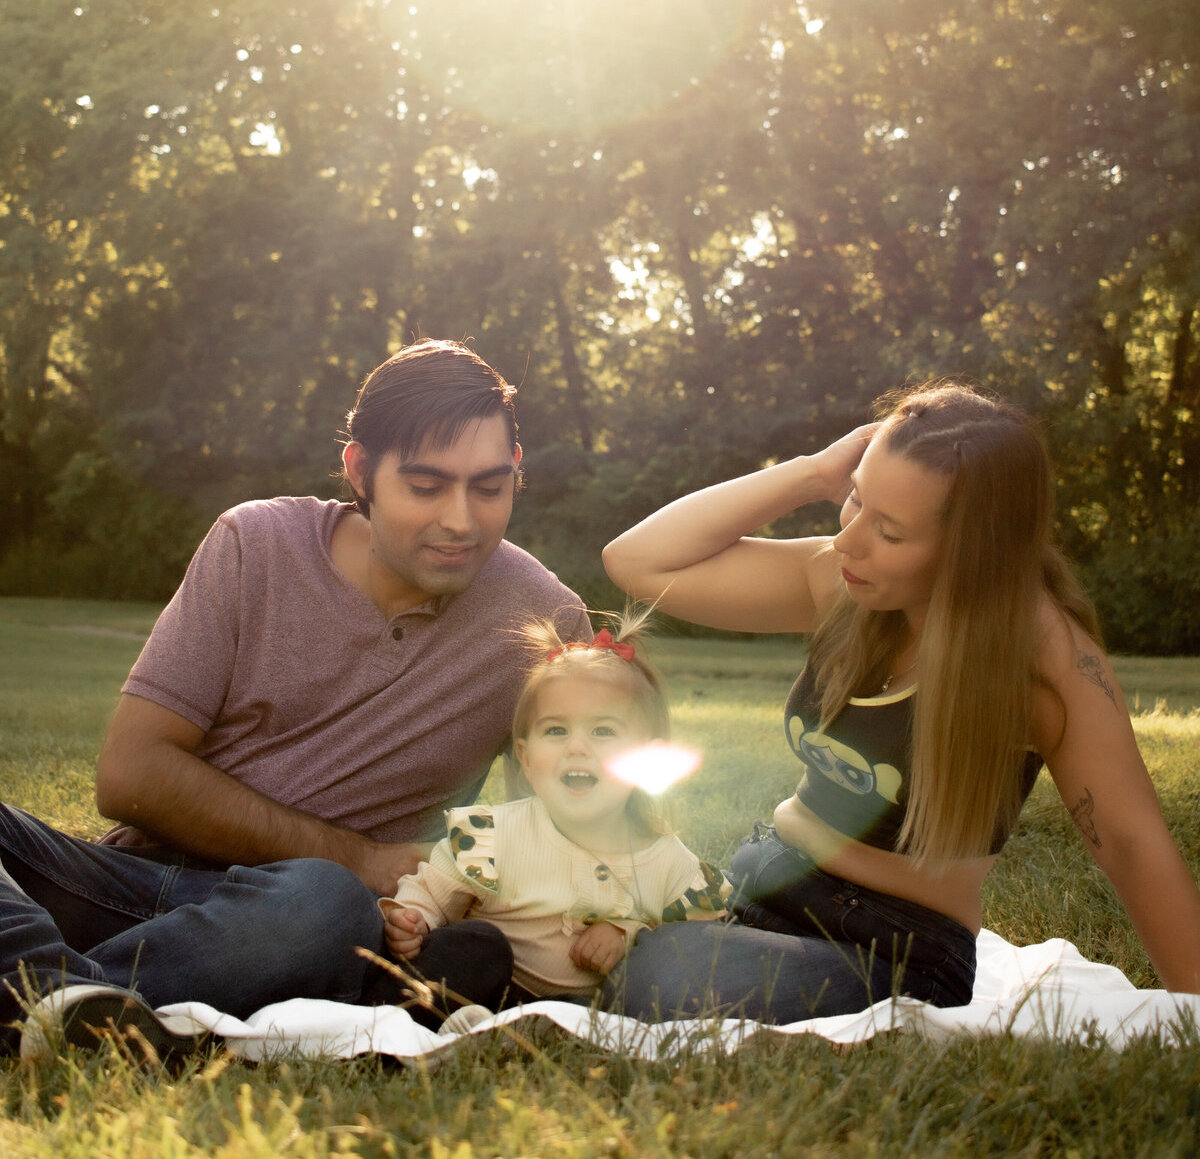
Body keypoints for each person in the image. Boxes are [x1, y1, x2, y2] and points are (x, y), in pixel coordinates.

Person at [3, 339, 588, 1058]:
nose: (461, 521)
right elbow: (131, 775)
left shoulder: (544, 622)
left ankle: (49, 998)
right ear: (360, 471)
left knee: (323, 903)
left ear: (516, 476)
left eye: (489, 488)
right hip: (134, 883)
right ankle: (64, 995)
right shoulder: (257, 542)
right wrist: (364, 857)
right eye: (427, 487)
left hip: (302, 920)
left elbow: (560, 832)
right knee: (335, 889)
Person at [599, 382, 1200, 1022]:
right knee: (569, 923)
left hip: (893, 947)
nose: (850, 540)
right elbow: (637, 562)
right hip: (766, 882)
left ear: (973, 552)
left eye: (888, 530)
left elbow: (1132, 842)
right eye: (855, 499)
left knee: (652, 972)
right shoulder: (845, 582)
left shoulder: (1042, 663)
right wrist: (812, 475)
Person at [378, 614, 728, 1008]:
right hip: (483, 990)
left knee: (656, 978)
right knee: (475, 947)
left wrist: (627, 931)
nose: (576, 748)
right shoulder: (492, 834)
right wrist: (412, 918)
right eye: (556, 731)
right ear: (525, 758)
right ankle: (407, 1018)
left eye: (603, 731)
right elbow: (430, 889)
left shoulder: (667, 860)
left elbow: (704, 938)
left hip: (592, 1011)